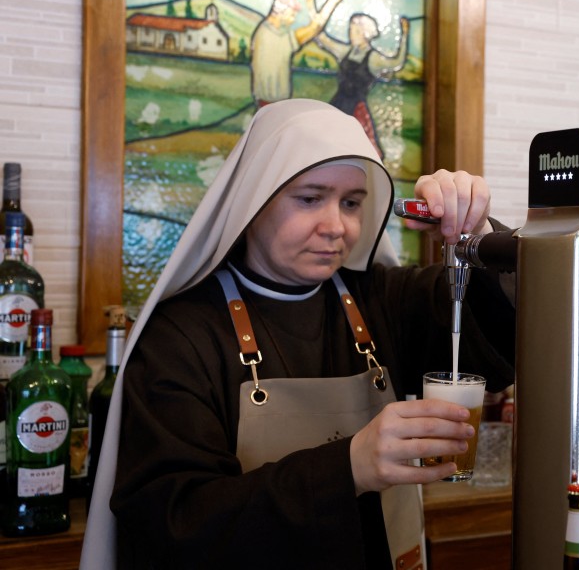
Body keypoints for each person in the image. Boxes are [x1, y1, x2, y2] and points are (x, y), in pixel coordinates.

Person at [80, 99, 516, 569]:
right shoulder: (181, 335)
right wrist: (348, 466)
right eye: (310, 198)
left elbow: (500, 329)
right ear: (253, 199)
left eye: (351, 203)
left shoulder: (380, 299)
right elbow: (175, 521)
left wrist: (478, 235)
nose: (336, 227)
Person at [317, 13, 411, 159]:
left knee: (355, 151)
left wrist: (404, 34)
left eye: (354, 30)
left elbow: (396, 62)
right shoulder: (346, 51)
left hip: (356, 110)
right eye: (350, 29)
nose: (350, 33)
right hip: (337, 105)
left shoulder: (373, 58)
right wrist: (316, 14)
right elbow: (323, 39)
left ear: (364, 33)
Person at [250, 0, 347, 107]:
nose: (293, 19)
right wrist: (335, 0)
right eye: (292, 15)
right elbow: (315, 28)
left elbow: (283, 6)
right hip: (273, 106)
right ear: (282, 13)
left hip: (267, 103)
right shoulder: (278, 38)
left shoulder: (264, 29)